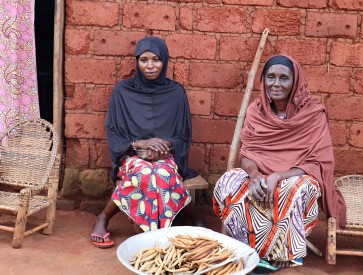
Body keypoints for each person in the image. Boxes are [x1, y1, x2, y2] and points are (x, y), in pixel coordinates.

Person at [212, 55, 346, 271]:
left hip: (296, 175)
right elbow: (248, 153)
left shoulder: (312, 113)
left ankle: (283, 250)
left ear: (296, 82)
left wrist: (277, 176)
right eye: (270, 77)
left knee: (296, 189)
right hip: (260, 172)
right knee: (229, 182)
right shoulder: (257, 110)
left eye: (284, 78)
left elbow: (317, 163)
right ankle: (248, 245)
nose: (276, 84)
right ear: (263, 80)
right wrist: (255, 176)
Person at [91, 36, 204, 248]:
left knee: (162, 173)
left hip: (166, 156)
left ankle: (192, 220)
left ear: (165, 61)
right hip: (133, 155)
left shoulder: (176, 92)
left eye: (156, 60)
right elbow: (113, 132)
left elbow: (183, 135)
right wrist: (140, 144)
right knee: (143, 173)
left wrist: (163, 146)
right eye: (144, 60)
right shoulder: (123, 91)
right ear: (136, 62)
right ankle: (103, 218)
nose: (150, 66)